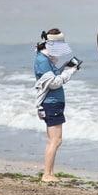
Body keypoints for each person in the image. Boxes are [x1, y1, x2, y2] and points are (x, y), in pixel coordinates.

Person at [34, 28, 80, 182]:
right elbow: (53, 83)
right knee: (56, 140)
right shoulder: (42, 60)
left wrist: (69, 64)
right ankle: (47, 174)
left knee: (53, 140)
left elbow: (56, 70)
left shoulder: (49, 56)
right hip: (50, 103)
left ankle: (50, 173)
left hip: (54, 103)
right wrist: (71, 71)